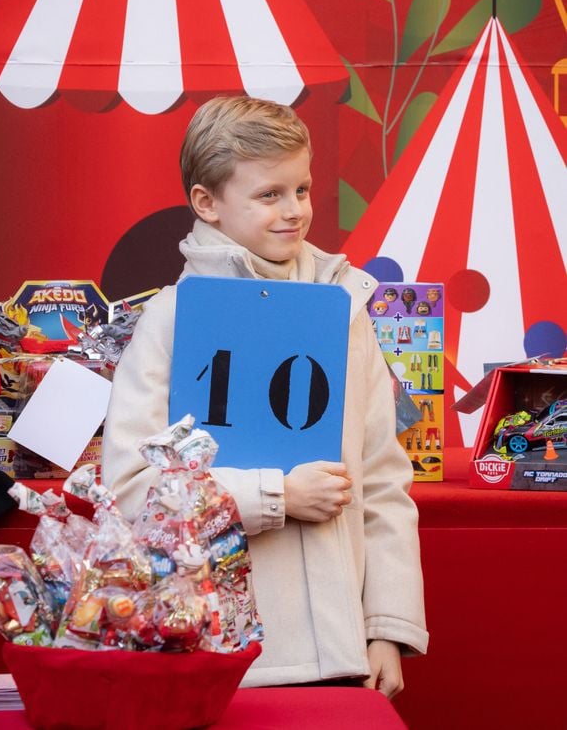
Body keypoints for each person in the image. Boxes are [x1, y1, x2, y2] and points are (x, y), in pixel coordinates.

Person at [102, 96, 428, 695]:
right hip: (219, 654)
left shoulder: (346, 308)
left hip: (341, 651)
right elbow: (132, 488)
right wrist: (276, 496)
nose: (294, 211)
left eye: (301, 190)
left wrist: (385, 628)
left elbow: (383, 478)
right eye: (268, 195)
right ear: (208, 204)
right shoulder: (172, 318)